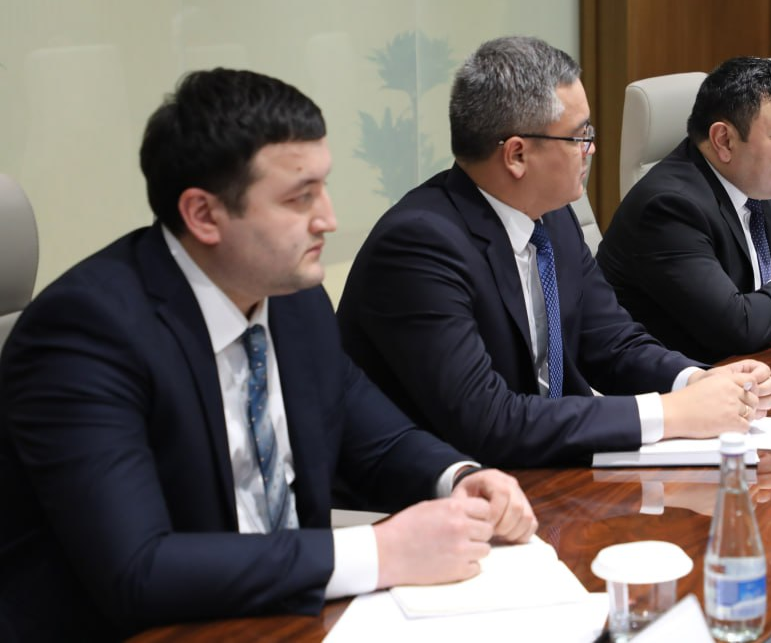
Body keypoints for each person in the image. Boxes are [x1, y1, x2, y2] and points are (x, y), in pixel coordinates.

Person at [0, 69, 536, 641]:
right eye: (299, 198)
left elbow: (378, 442)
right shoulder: (85, 334)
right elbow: (138, 570)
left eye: (323, 187)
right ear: (203, 215)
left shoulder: (293, 299)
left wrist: (459, 479)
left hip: (281, 618)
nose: (328, 219)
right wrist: (380, 551)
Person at [338, 37, 771, 470]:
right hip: (449, 489)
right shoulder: (419, 247)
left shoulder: (553, 217)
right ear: (517, 155)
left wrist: (696, 380)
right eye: (579, 135)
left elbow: (611, 342)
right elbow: (486, 422)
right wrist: (671, 412)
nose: (591, 148)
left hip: (549, 467)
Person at [598, 56, 771, 363]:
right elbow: (737, 327)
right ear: (724, 140)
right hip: (682, 379)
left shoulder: (769, 185)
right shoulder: (669, 208)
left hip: (754, 367)